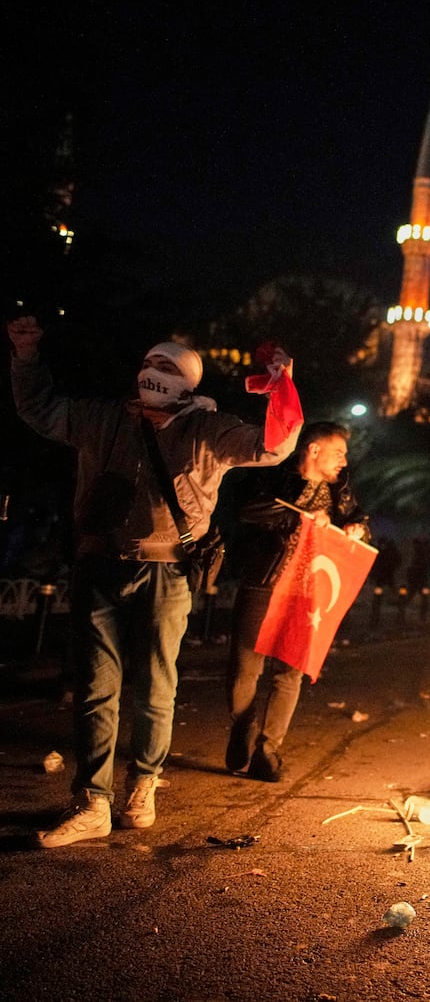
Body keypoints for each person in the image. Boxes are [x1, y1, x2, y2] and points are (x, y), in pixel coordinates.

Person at [9, 315, 302, 847]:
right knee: (97, 689)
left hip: (167, 572)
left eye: (167, 367)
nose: (153, 373)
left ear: (189, 382)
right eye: (149, 363)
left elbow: (273, 447)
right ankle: (92, 801)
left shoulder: (210, 430)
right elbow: (39, 409)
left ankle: (141, 787)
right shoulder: (103, 420)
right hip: (99, 564)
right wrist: (26, 356)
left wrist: (283, 387)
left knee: (154, 687)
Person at [224, 422, 367, 782]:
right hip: (263, 583)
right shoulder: (274, 475)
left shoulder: (341, 491)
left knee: (290, 674)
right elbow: (243, 510)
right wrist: (297, 517)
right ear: (314, 450)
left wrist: (356, 529)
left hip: (307, 595)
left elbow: (360, 521)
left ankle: (268, 750)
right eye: (338, 453)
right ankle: (243, 728)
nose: (343, 462)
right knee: (245, 671)